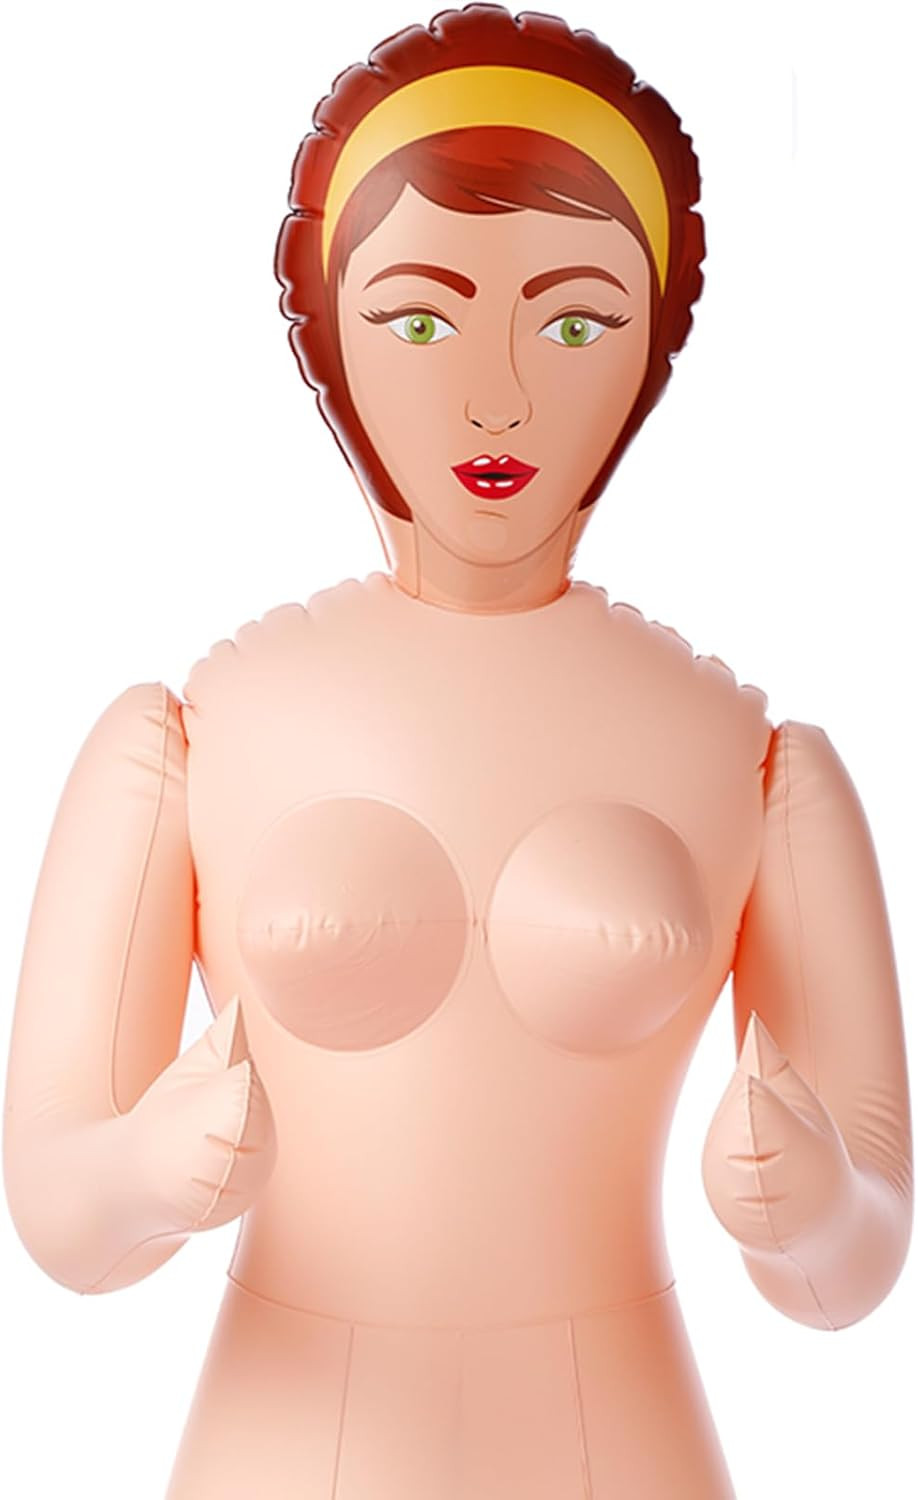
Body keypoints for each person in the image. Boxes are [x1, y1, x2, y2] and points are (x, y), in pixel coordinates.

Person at [3, 6, 912, 1496]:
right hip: (285, 1452)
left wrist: (806, 1203)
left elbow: (855, 1266)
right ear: (327, 334)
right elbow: (60, 1217)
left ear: (653, 345)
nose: (497, 396)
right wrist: (153, 1170)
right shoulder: (189, 735)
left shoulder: (751, 759)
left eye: (575, 321)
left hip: (624, 1445)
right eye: (420, 318)